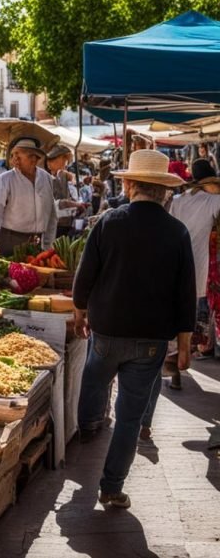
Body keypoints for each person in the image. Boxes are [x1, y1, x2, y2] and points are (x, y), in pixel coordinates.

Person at [73, 149, 195, 509]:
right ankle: (111, 487)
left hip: (108, 329)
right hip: (152, 339)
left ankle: (89, 428)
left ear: (128, 185)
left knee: (94, 379)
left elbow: (85, 275)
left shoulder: (110, 221)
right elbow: (185, 292)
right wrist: (184, 343)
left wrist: (80, 311)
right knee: (130, 417)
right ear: (164, 191)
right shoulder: (177, 232)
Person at [156, 159, 220, 394]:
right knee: (189, 315)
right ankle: (177, 361)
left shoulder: (179, 200)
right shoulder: (213, 200)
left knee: (174, 313)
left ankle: (172, 363)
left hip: (173, 264)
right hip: (199, 269)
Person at [0, 138, 57, 257]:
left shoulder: (46, 178)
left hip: (37, 243)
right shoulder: (5, 179)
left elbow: (51, 215)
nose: (14, 160)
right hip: (10, 241)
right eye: (13, 155)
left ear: (34, 159)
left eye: (20, 156)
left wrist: (48, 245)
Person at [46, 145, 83, 238]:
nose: (65, 164)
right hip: (54, 224)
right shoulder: (46, 179)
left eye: (66, 160)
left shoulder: (62, 176)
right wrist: (73, 204)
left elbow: (68, 196)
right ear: (50, 162)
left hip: (66, 222)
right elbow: (54, 204)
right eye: (63, 160)